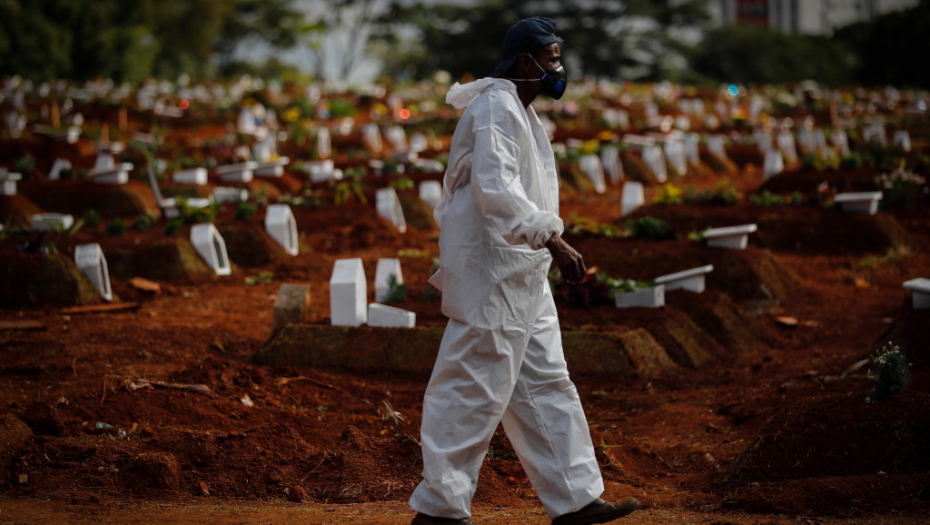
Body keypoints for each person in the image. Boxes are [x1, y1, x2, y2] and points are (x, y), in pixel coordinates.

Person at [409, 17, 641, 525]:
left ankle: (576, 500)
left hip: (522, 274)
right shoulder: (495, 108)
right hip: (494, 275)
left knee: (546, 384)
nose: (559, 68)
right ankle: (439, 511)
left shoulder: (519, 110)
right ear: (525, 61)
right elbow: (496, 188)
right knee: (471, 386)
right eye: (553, 58)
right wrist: (551, 238)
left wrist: (541, 246)